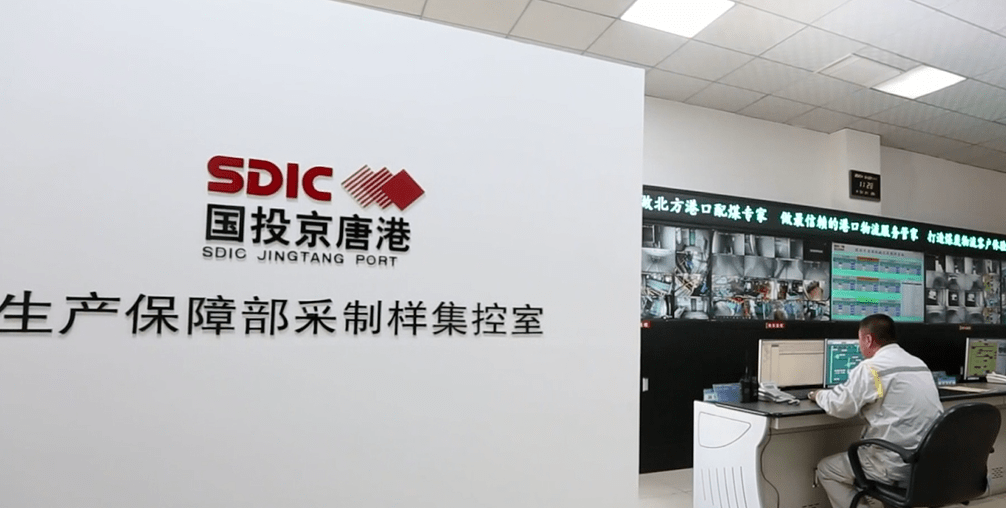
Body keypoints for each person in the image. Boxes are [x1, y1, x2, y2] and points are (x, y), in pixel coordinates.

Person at [807, 314, 942, 508]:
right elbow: (881, 390)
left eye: (859, 340)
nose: (859, 346)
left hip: (893, 464)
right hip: (925, 464)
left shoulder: (872, 368)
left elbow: (841, 406)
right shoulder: (918, 364)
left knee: (827, 470)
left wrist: (817, 395)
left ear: (868, 339)